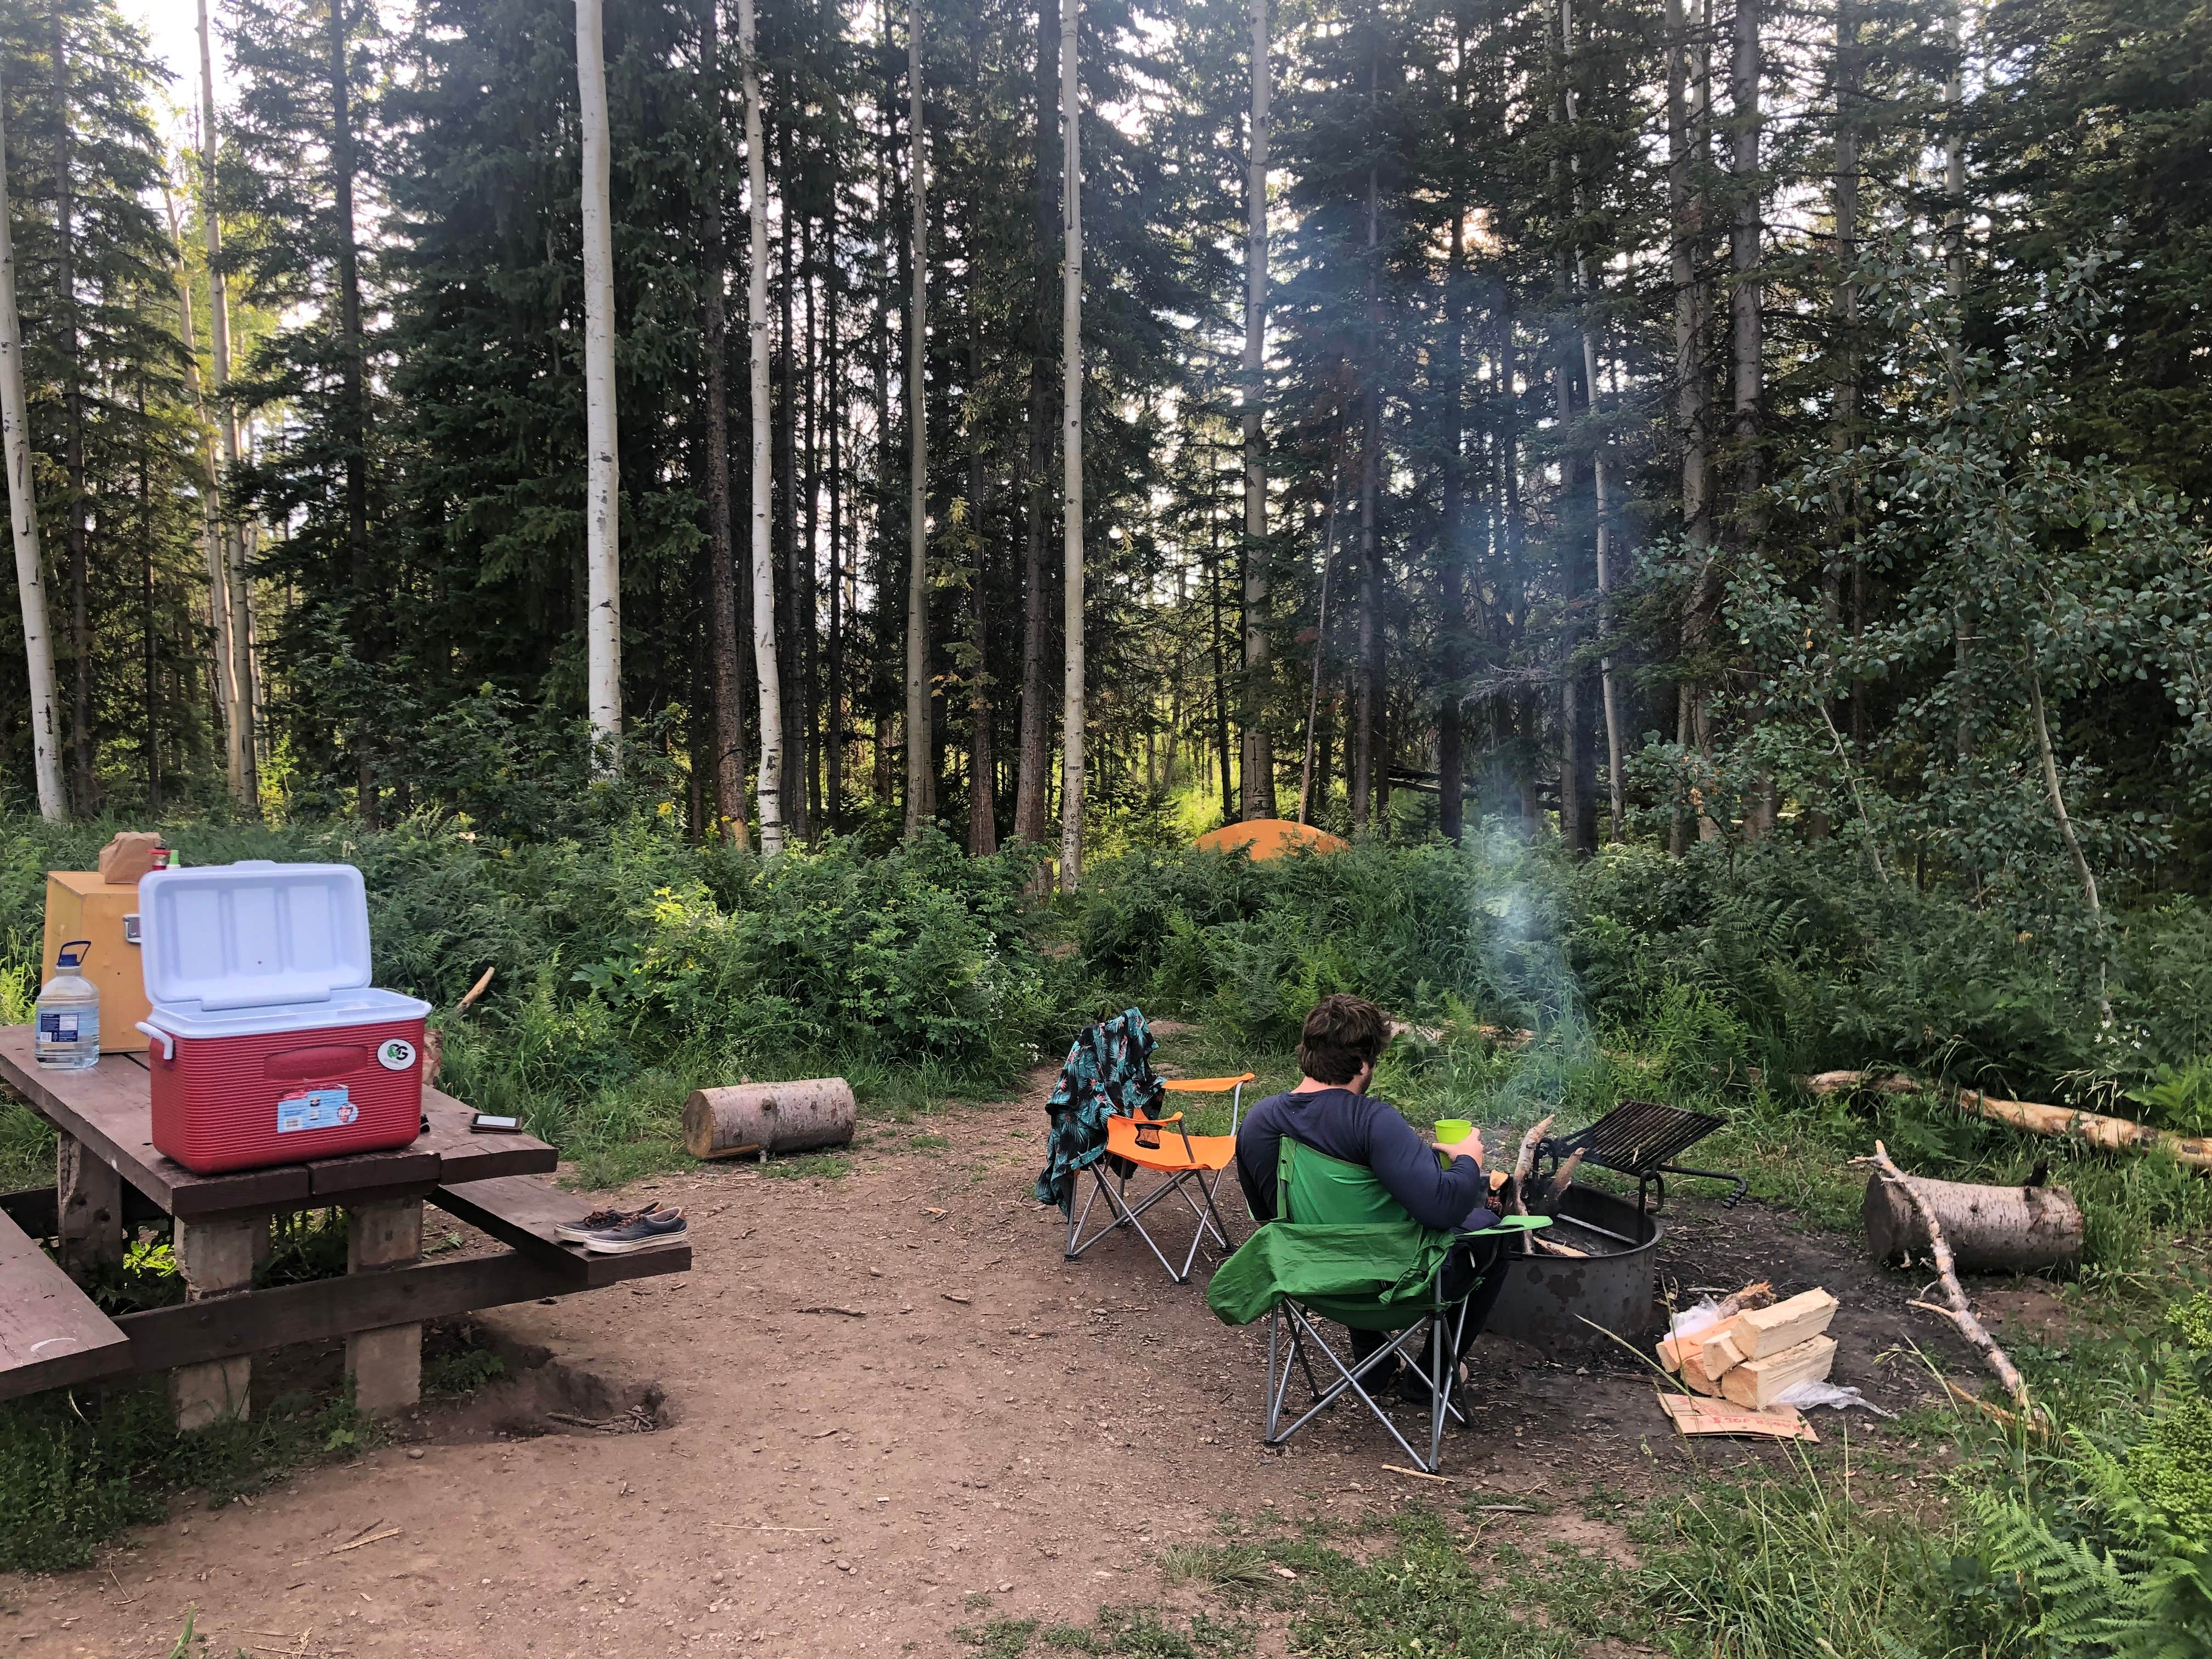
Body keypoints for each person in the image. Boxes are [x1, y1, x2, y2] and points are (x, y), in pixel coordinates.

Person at [1234, 992, 1511, 1397]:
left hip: (1310, 1279)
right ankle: (1431, 1376)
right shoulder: (1371, 1121)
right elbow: (1444, 1210)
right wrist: (1468, 1160)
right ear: (1363, 1064)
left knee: (1337, 1232)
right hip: (1394, 1287)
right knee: (1494, 1233)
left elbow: (1267, 1217)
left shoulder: (1258, 1122)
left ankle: (1374, 1366)